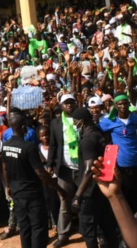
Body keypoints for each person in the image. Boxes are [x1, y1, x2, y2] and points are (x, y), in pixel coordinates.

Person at [0, 112, 66, 248]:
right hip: (32, 194)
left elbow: (5, 168)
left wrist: (8, 186)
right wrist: (58, 189)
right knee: (38, 227)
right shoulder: (29, 147)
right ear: (24, 128)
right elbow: (41, 173)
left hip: (17, 193)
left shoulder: (5, 146)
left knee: (24, 226)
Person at [70, 108, 118, 248]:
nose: (74, 125)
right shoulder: (99, 134)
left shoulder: (87, 140)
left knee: (89, 231)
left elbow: (89, 169)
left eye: (75, 122)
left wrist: (78, 195)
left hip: (89, 193)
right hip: (103, 187)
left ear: (81, 122)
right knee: (107, 227)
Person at [46, 94, 79, 248]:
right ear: (61, 106)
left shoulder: (81, 118)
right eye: (66, 103)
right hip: (64, 167)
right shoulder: (55, 123)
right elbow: (53, 145)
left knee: (86, 200)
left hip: (82, 168)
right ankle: (63, 234)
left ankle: (90, 230)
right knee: (64, 201)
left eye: (71, 102)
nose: (69, 105)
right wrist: (50, 163)